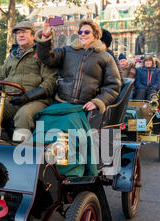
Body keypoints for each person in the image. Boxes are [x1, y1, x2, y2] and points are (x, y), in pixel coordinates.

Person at [35, 18, 121, 176]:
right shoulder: (67, 51)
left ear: (95, 35)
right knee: (42, 123)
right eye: (80, 32)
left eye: (86, 32)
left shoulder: (105, 57)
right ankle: (42, 166)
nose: (82, 35)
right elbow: (47, 58)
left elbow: (114, 86)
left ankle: (71, 172)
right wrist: (46, 36)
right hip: (61, 103)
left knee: (69, 129)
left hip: (81, 107)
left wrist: (98, 101)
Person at [0, 21, 57, 141]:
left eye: (24, 32)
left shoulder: (41, 54)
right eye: (18, 33)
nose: (20, 35)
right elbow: (0, 78)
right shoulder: (11, 57)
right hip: (12, 100)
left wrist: (27, 96)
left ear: (33, 36)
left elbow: (50, 82)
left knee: (24, 114)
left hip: (36, 101)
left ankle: (18, 150)